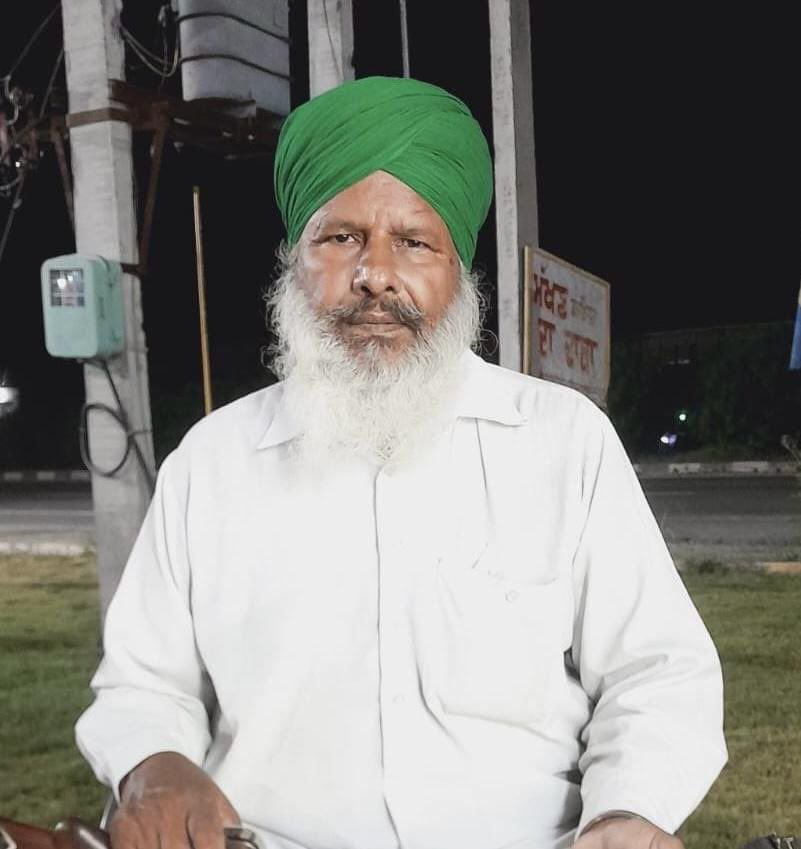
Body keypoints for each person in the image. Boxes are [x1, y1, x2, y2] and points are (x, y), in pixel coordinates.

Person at [75, 76, 726, 849]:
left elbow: (656, 671)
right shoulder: (211, 464)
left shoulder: (562, 442)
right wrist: (153, 764)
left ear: (458, 271)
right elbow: (143, 682)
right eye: (340, 238)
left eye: (414, 242)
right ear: (295, 263)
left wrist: (625, 814)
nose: (375, 275)